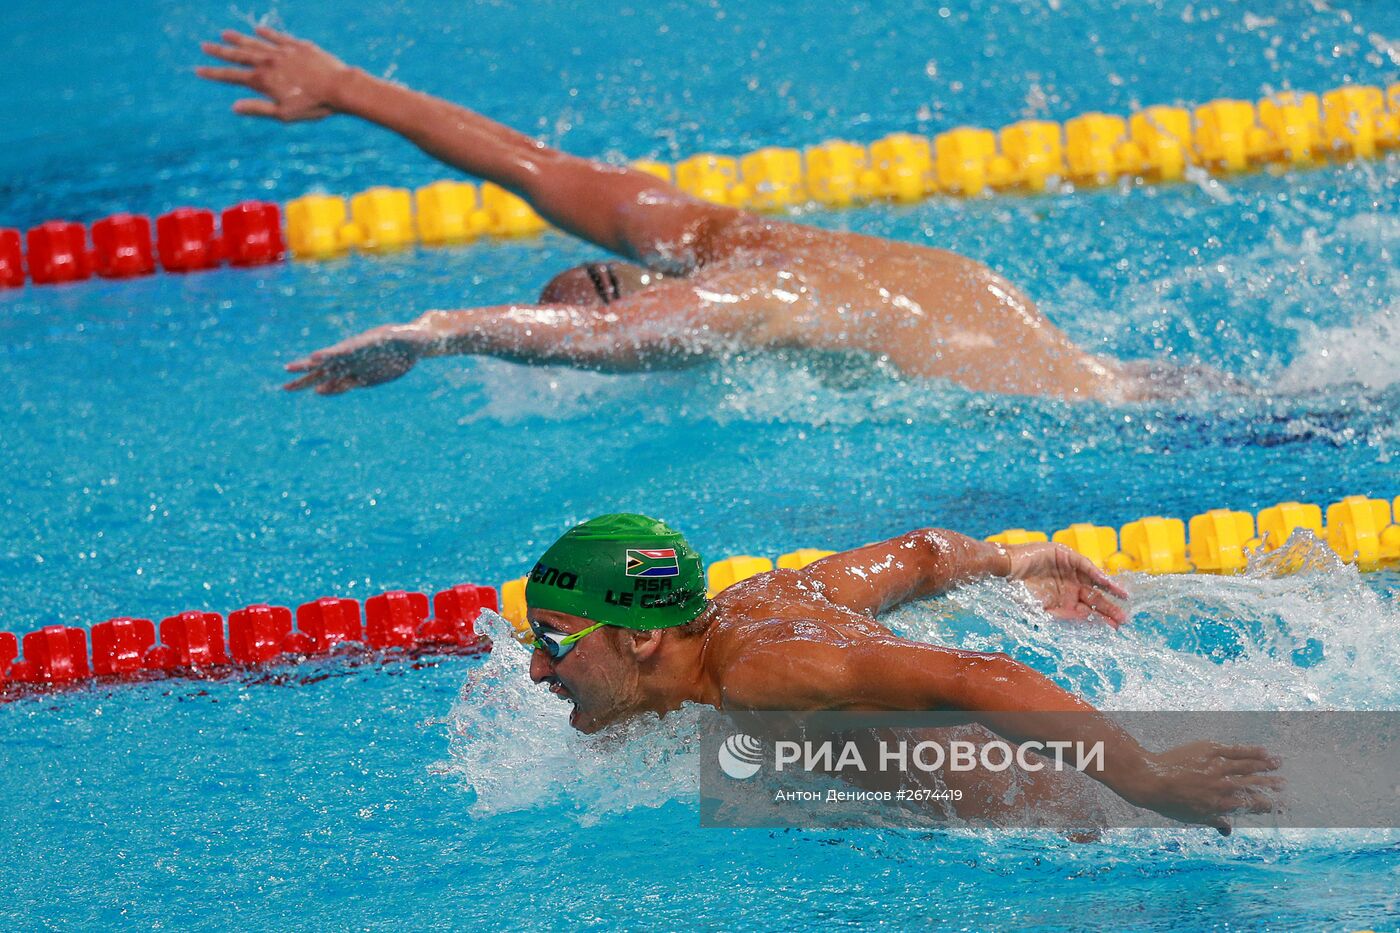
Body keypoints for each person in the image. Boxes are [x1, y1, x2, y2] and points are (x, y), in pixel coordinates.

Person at [198, 27, 1145, 401]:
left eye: (603, 293)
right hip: (1118, 394)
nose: (601, 298)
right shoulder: (744, 275)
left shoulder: (731, 270)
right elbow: (603, 318)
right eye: (591, 298)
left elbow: (537, 169)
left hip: (1114, 403)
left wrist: (348, 87)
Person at [520, 512, 1280, 831]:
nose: (532, 669)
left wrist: (1145, 775)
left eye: (553, 641)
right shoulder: (759, 597)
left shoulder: (761, 672)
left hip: (1082, 828)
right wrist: (1017, 563)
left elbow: (984, 677)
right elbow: (922, 552)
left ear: (644, 637)